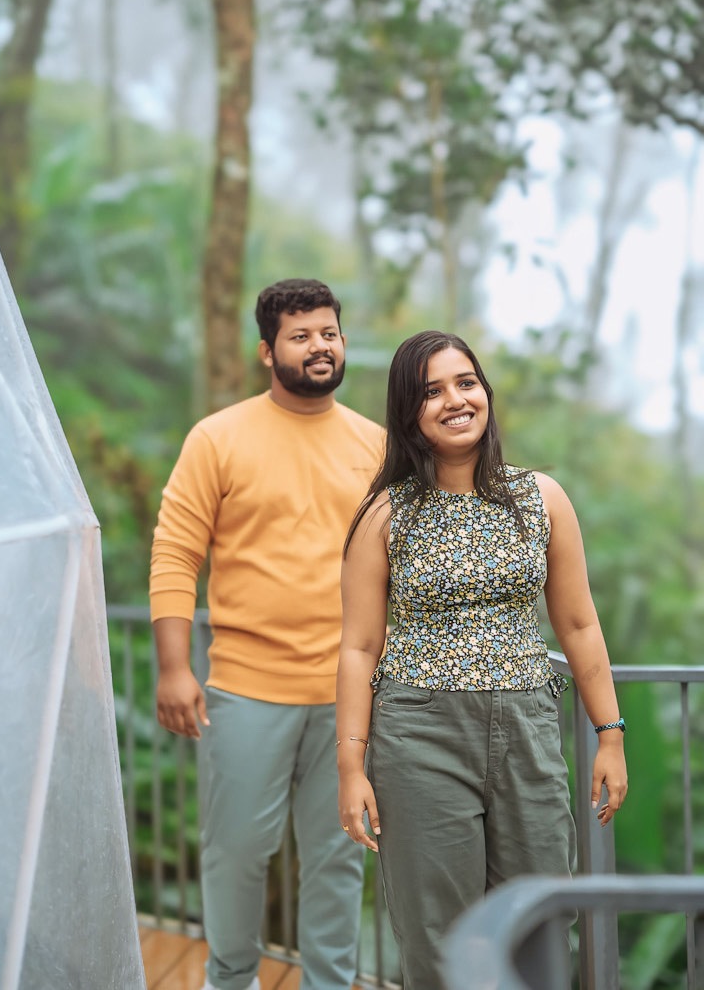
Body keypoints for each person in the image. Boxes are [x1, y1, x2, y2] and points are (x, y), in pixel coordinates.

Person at [336, 330, 628, 989]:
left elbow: (579, 625)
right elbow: (357, 649)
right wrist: (350, 766)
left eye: (466, 382)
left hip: (526, 729)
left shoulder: (541, 498)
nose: (455, 400)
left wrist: (610, 733)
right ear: (408, 411)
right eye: (432, 391)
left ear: (485, 393)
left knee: (543, 920)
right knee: (440, 936)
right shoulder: (385, 517)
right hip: (418, 735)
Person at [150, 279, 384, 990]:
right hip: (247, 688)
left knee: (339, 856)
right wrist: (172, 667)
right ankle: (230, 979)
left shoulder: (377, 445)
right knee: (236, 853)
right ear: (266, 351)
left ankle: (328, 985)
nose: (320, 346)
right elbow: (175, 551)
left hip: (350, 694)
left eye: (329, 333)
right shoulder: (218, 437)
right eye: (301, 335)